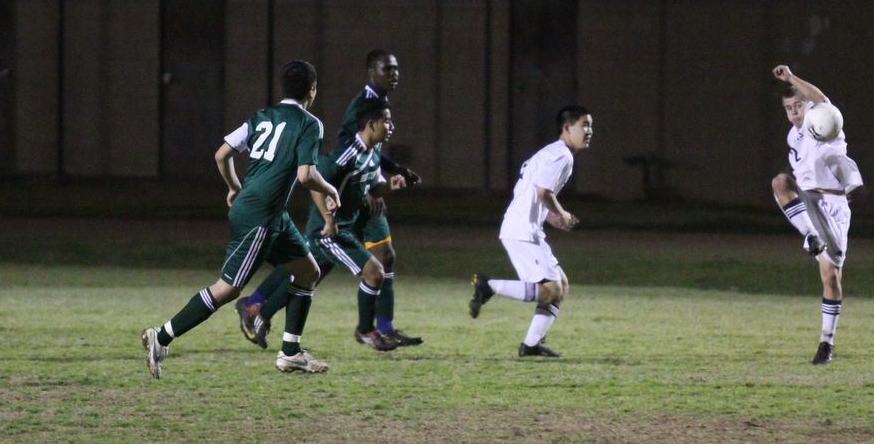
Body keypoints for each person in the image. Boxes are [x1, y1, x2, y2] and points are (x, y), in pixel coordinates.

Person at [140, 60, 340, 378]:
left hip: (272, 214)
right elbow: (306, 175)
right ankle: (161, 336)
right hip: (260, 216)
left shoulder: (262, 116)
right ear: (312, 90)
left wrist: (234, 187)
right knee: (228, 289)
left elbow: (221, 154)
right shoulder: (309, 123)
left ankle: (291, 353)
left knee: (308, 271)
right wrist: (331, 189)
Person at [236, 49, 423, 347]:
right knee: (313, 268)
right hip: (344, 201)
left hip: (358, 195)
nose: (395, 74)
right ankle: (259, 308)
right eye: (388, 69)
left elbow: (370, 155)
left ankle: (382, 328)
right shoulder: (361, 110)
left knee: (361, 261)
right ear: (371, 72)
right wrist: (335, 210)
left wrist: (388, 180)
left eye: (396, 69)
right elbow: (335, 161)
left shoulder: (379, 115)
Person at [469, 105, 594, 358]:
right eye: (584, 125)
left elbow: (533, 194)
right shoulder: (562, 156)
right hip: (521, 231)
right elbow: (543, 192)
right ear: (567, 128)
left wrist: (551, 217)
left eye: (591, 126)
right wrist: (562, 214)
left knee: (561, 286)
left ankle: (531, 345)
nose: (589, 131)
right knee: (550, 290)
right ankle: (489, 286)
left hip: (527, 229)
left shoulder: (551, 152)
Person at [770, 64, 864, 365]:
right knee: (780, 183)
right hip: (809, 200)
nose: (794, 112)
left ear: (808, 105)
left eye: (798, 105)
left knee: (831, 278)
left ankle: (826, 342)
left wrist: (791, 78)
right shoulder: (793, 137)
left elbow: (822, 100)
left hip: (833, 205)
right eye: (788, 108)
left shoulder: (821, 121)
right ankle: (810, 234)